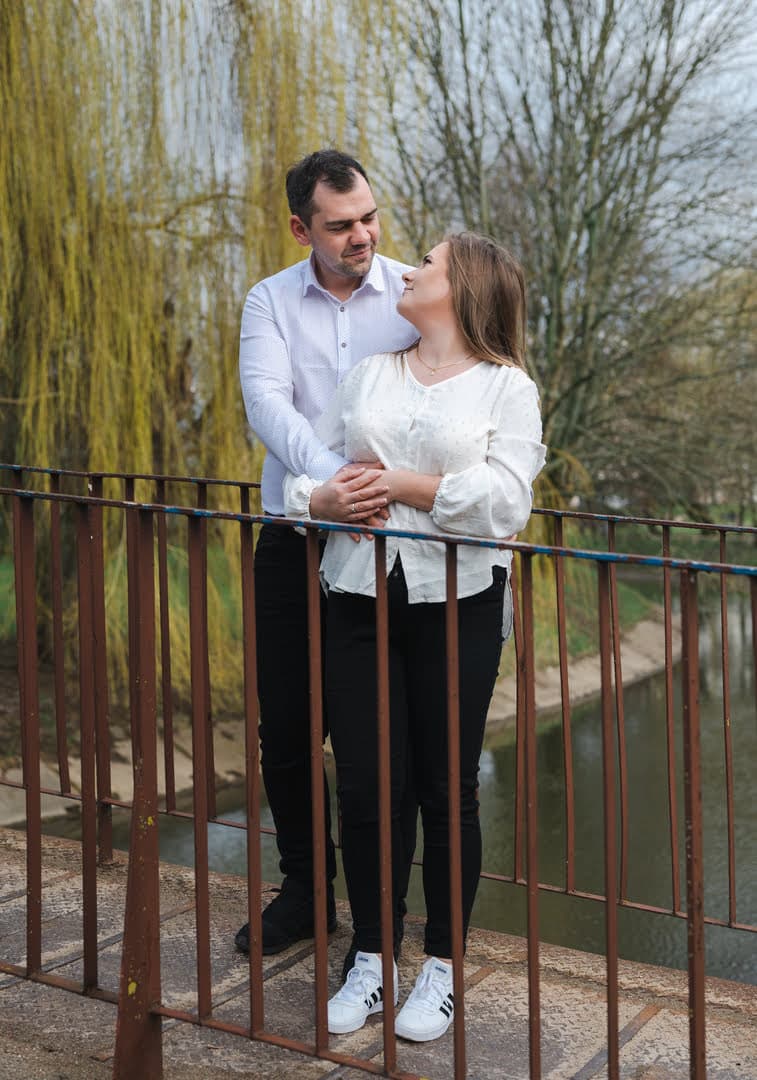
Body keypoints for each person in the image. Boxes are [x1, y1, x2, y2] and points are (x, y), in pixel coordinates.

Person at [283, 232, 546, 1041]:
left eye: (425, 263)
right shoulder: (371, 374)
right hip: (355, 595)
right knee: (366, 785)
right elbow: (313, 470)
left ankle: (440, 967)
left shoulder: (506, 388)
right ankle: (371, 958)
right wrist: (316, 502)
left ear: (463, 287)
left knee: (445, 787)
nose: (408, 270)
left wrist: (402, 485)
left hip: (459, 600)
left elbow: (503, 503)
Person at [236, 150, 418, 963]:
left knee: (373, 741)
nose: (362, 235)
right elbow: (266, 402)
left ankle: (381, 918)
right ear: (299, 227)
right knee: (285, 729)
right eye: (341, 225)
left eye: (368, 217)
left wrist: (360, 496)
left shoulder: (414, 293)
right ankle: (305, 894)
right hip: (293, 535)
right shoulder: (269, 300)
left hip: (384, 543)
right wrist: (324, 485)